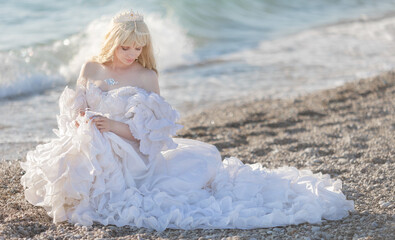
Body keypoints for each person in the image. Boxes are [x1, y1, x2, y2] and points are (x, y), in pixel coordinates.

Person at [20, 10, 354, 232]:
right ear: (112, 42)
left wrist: (113, 127)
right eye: (126, 47)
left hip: (133, 154)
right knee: (75, 151)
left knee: (200, 158)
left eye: (138, 47)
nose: (132, 53)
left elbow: (151, 133)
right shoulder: (91, 69)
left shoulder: (147, 76)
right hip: (92, 139)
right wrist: (85, 122)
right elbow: (74, 108)